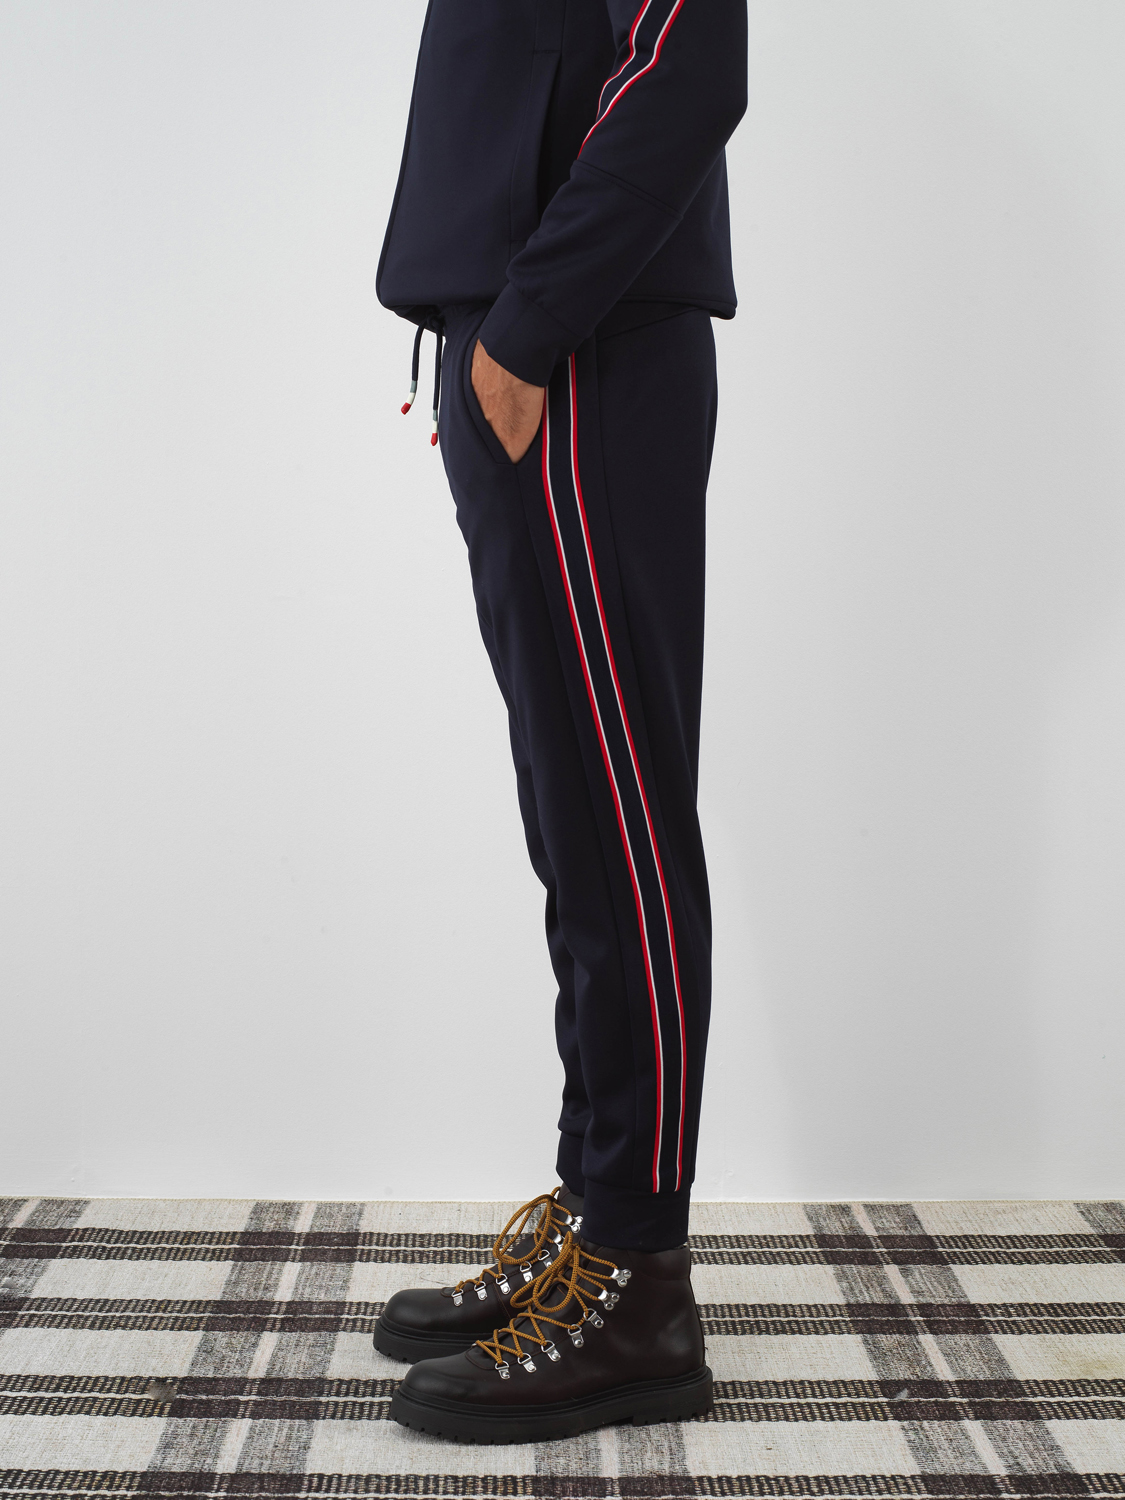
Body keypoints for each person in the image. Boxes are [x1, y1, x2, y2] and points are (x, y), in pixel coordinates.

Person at [372, 0, 747, 1444]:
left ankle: (640, 1283)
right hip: (524, 338)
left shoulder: (552, 340)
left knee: (618, 818)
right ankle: (600, 1220)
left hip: (578, 345)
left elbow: (684, 63)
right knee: (573, 820)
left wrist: (527, 331)